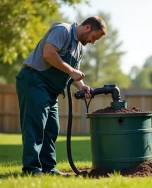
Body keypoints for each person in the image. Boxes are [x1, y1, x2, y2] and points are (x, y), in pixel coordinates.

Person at [15, 16, 107, 176]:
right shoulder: (62, 30)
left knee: (52, 128)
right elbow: (49, 54)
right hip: (34, 80)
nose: (93, 42)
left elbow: (73, 75)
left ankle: (48, 168)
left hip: (50, 90)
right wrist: (72, 71)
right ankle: (31, 169)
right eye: (94, 37)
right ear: (87, 27)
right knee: (35, 126)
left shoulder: (79, 49)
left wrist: (82, 86)